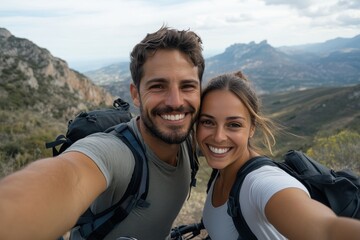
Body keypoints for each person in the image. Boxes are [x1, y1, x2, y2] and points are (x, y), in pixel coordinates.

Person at [0, 26, 205, 240]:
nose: (175, 102)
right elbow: (71, 176)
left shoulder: (189, 139)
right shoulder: (116, 154)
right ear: (136, 95)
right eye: (158, 86)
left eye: (187, 86)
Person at [196, 71, 360, 240]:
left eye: (234, 125)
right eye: (208, 122)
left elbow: (326, 230)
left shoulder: (260, 184)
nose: (218, 136)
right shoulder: (221, 171)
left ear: (252, 128)